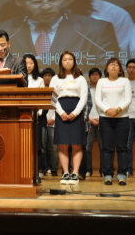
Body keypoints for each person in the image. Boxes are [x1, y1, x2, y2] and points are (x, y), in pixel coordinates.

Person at [49, 51, 88, 185]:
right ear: (61, 62)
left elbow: (83, 97)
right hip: (62, 111)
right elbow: (53, 98)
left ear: (74, 61)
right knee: (63, 144)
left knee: (77, 144)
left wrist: (75, 113)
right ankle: (66, 172)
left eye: (70, 59)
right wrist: (61, 113)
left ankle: (75, 173)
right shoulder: (55, 78)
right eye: (65, 59)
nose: (67, 62)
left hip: (76, 111)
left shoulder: (81, 78)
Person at [94, 58, 132, 185]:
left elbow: (128, 99)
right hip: (105, 118)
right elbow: (98, 100)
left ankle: (122, 174)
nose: (114, 66)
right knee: (107, 148)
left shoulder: (125, 81)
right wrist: (107, 110)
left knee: (122, 147)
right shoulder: (101, 81)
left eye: (116, 65)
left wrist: (118, 109)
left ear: (120, 69)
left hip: (122, 118)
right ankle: (108, 174)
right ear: (107, 68)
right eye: (111, 64)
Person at [24, 54, 45, 179]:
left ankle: (37, 171)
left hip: (35, 117)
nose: (28, 66)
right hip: (22, 116)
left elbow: (42, 98)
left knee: (36, 145)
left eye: (31, 63)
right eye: (26, 63)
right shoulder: (19, 79)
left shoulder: (39, 80)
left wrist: (39, 112)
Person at [41, 67, 58, 176]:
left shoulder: (56, 90)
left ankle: (54, 169)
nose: (47, 78)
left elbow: (59, 106)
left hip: (54, 122)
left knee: (54, 147)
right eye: (45, 75)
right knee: (42, 147)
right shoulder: (40, 89)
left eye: (49, 76)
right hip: (42, 121)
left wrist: (54, 119)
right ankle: (43, 167)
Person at [85, 67, 102, 178]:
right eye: (92, 75)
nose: (94, 76)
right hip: (89, 121)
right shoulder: (86, 89)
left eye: (97, 74)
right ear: (89, 77)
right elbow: (83, 106)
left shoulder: (104, 89)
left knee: (104, 147)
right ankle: (88, 170)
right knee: (87, 147)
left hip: (103, 121)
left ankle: (104, 170)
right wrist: (89, 118)